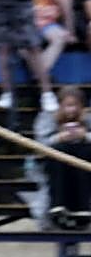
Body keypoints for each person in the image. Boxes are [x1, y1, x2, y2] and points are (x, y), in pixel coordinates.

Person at [34, 86, 91, 229]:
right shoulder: (48, 118)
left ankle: (84, 207)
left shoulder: (88, 118)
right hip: (56, 164)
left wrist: (84, 136)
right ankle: (57, 205)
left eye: (74, 105)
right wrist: (59, 137)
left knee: (84, 152)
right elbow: (39, 144)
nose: (71, 110)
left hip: (83, 161)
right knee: (59, 151)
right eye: (67, 105)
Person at [29, 0, 76, 81]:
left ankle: (38, 74)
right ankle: (43, 76)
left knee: (60, 37)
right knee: (22, 44)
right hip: (28, 23)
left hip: (48, 23)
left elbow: (67, 7)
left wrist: (70, 31)